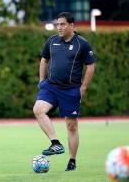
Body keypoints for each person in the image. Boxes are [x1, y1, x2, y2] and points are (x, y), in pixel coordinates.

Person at [33, 12, 96, 171]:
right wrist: (41, 79)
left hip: (71, 90)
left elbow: (90, 66)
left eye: (62, 24)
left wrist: (83, 87)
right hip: (51, 87)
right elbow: (44, 59)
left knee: (71, 126)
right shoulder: (52, 41)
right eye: (58, 24)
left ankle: (72, 160)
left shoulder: (82, 44)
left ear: (72, 25)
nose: (59, 27)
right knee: (38, 110)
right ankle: (55, 143)